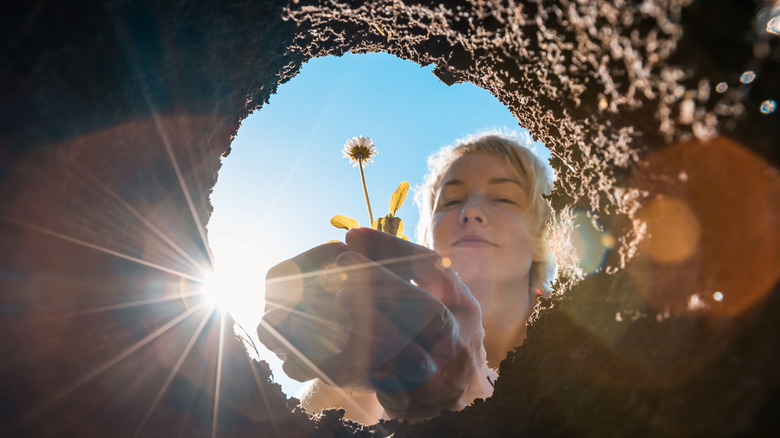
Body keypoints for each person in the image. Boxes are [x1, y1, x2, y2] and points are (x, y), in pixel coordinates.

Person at [257, 133, 556, 424]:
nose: (471, 211)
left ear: (544, 235)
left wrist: (469, 378)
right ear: (426, 238)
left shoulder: (581, 345)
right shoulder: (395, 347)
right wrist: (351, 360)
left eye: (504, 198)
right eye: (451, 201)